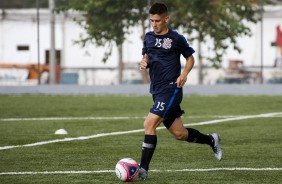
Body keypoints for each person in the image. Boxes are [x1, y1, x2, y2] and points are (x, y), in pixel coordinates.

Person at [138, 2, 223, 180]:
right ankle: (211, 139)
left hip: (172, 89)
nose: (154, 24)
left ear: (166, 19)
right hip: (157, 90)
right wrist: (144, 62)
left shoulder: (176, 38)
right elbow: (146, 56)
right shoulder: (148, 37)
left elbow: (190, 58)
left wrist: (184, 73)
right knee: (180, 134)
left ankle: (143, 170)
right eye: (152, 20)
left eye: (158, 20)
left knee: (149, 124)